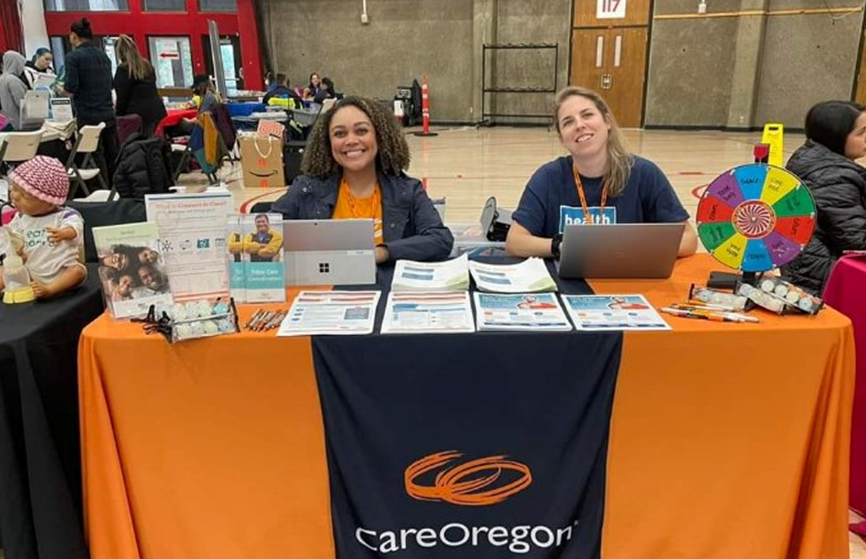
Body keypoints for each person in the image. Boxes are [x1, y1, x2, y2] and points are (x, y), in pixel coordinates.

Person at [506, 86, 697, 259]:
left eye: (587, 115)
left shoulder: (643, 174)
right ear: (562, 138)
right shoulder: (548, 177)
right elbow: (515, 242)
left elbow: (689, 239)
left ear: (607, 122)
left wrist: (633, 250)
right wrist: (563, 246)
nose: (579, 125)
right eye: (568, 122)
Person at [272, 96, 453, 263]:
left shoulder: (408, 190)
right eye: (340, 134)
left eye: (361, 131)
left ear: (380, 136)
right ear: (328, 142)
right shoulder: (306, 188)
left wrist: (381, 253)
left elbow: (439, 239)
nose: (351, 140)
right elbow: (263, 230)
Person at [782, 100, 866, 294]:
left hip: (810, 271)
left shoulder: (811, 159)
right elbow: (858, 243)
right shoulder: (831, 177)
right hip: (826, 280)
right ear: (835, 136)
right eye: (861, 133)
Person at [0, 156, 86, 299]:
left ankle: (50, 289)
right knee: (4, 270)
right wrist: (16, 249)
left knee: (78, 271)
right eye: (13, 189)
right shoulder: (20, 217)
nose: (14, 196)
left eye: (23, 195)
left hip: (59, 271)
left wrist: (64, 233)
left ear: (49, 203)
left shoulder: (64, 216)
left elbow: (75, 229)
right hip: (29, 272)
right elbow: (12, 237)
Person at [64, 18, 119, 188]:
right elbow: (111, 84)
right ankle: (117, 190)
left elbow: (71, 87)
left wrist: (62, 90)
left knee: (95, 156)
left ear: (74, 36)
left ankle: (103, 192)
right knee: (112, 155)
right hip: (107, 113)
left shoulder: (73, 57)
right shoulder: (103, 56)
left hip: (88, 115)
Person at [113, 35, 167, 137]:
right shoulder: (147, 65)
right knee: (151, 142)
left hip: (136, 116)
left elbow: (122, 98)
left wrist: (117, 116)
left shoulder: (123, 70)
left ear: (119, 53)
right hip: (157, 111)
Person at [0, 51, 28, 130]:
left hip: (6, 122)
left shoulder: (2, 78)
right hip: (17, 122)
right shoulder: (13, 80)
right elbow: (21, 103)